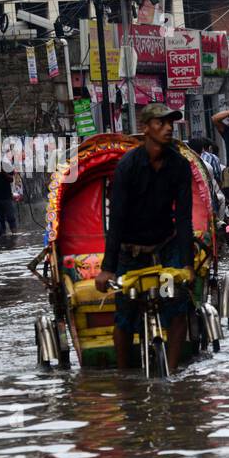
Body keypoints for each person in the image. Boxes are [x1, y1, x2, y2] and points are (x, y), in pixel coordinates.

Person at [94, 103, 195, 371]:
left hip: (165, 247)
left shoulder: (180, 166)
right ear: (145, 128)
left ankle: (172, 374)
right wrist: (108, 268)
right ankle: (125, 380)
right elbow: (115, 219)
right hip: (131, 250)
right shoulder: (128, 166)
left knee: (177, 307)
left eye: (171, 123)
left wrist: (187, 264)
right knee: (125, 317)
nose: (168, 128)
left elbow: (184, 218)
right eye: (160, 123)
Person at [0, 165, 18, 233]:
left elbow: (11, 179)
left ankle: (14, 234)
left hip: (6, 196)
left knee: (10, 217)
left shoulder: (5, 166)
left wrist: (3, 171)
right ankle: (2, 236)